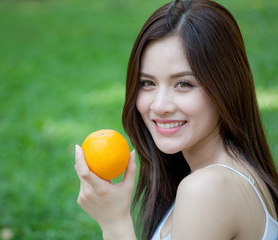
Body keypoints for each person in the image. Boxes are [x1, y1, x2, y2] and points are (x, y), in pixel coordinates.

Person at [74, 0, 278, 239]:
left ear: (226, 87)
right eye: (147, 83)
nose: (159, 106)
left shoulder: (207, 189)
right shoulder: (220, 175)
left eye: (184, 84)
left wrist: (115, 222)